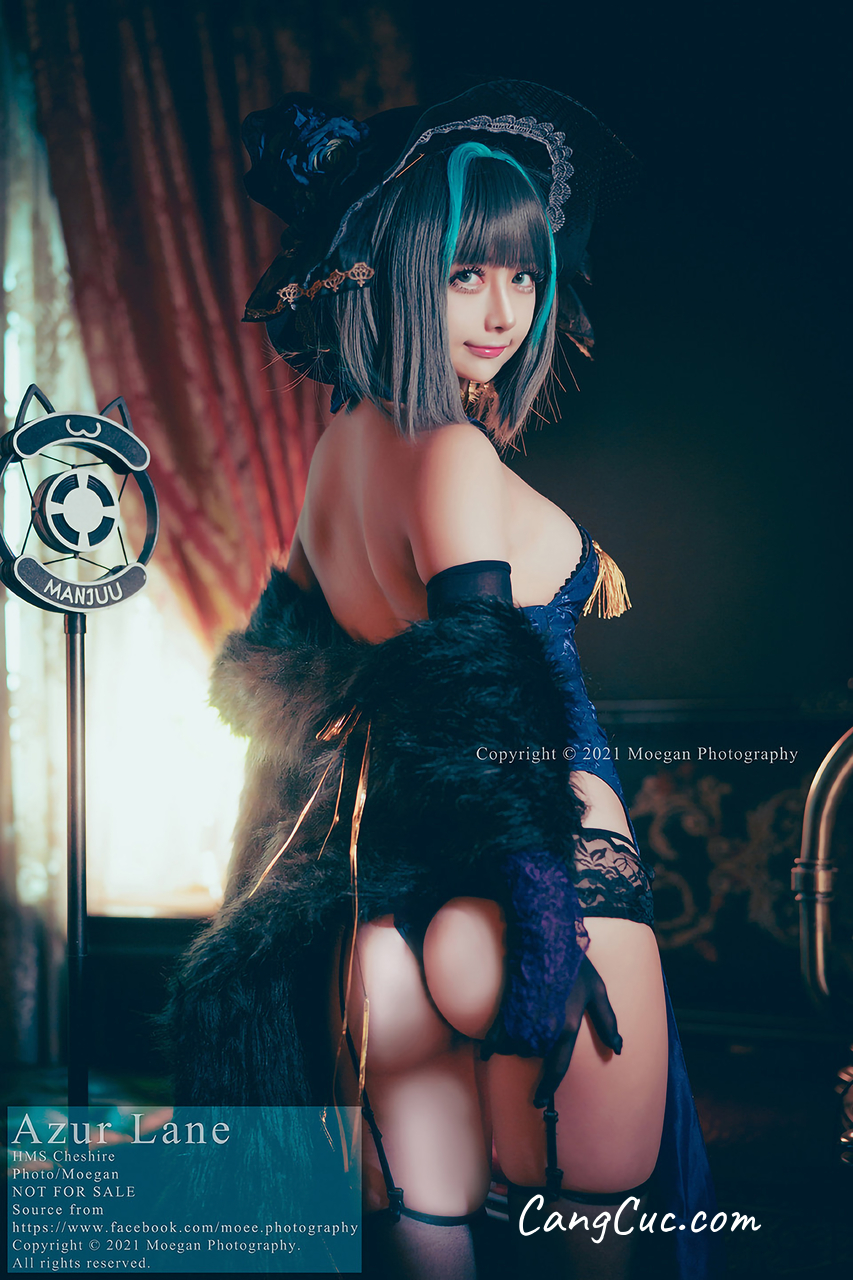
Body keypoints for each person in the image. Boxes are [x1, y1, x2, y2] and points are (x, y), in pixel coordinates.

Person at [164, 80, 720, 1279]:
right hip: (537, 872)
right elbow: (480, 682)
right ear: (401, 274)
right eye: (467, 273)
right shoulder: (454, 451)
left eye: (522, 274)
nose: (503, 309)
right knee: (598, 1224)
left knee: (430, 1219)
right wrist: (542, 912)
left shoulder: (336, 451)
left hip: (385, 895)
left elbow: (272, 677)